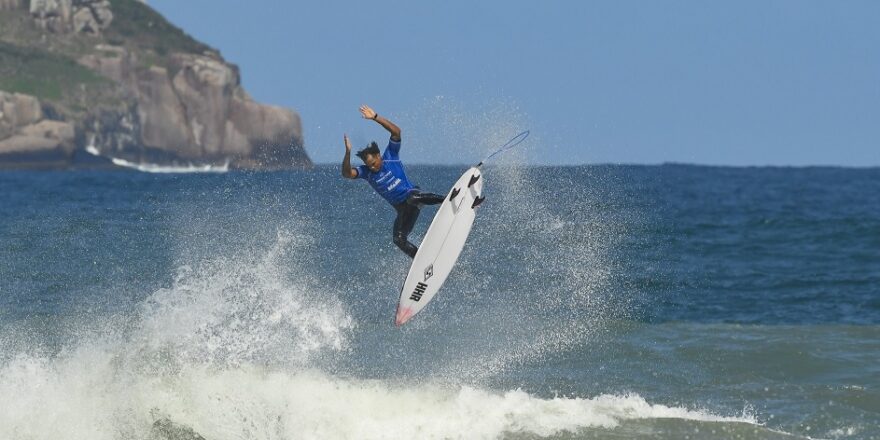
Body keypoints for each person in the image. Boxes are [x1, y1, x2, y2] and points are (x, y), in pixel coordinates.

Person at [342, 104, 444, 258]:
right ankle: (422, 260)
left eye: (374, 163)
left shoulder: (391, 156)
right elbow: (347, 173)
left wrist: (375, 117)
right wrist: (348, 153)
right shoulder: (366, 172)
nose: (372, 167)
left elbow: (396, 132)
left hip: (413, 196)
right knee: (398, 239)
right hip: (403, 210)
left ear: (378, 156)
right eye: (369, 165)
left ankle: (447, 199)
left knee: (412, 197)